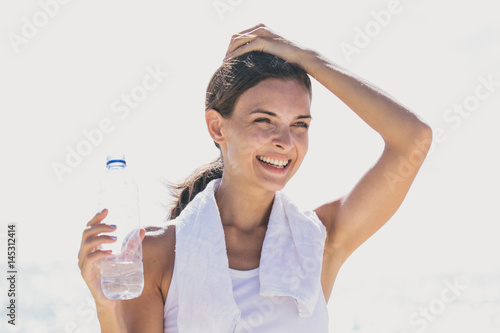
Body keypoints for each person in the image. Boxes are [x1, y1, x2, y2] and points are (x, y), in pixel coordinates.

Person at [78, 24, 432, 332]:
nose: (285, 141)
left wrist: (306, 58)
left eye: (300, 124)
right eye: (265, 120)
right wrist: (105, 309)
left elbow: (413, 139)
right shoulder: (157, 253)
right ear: (217, 126)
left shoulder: (318, 242)